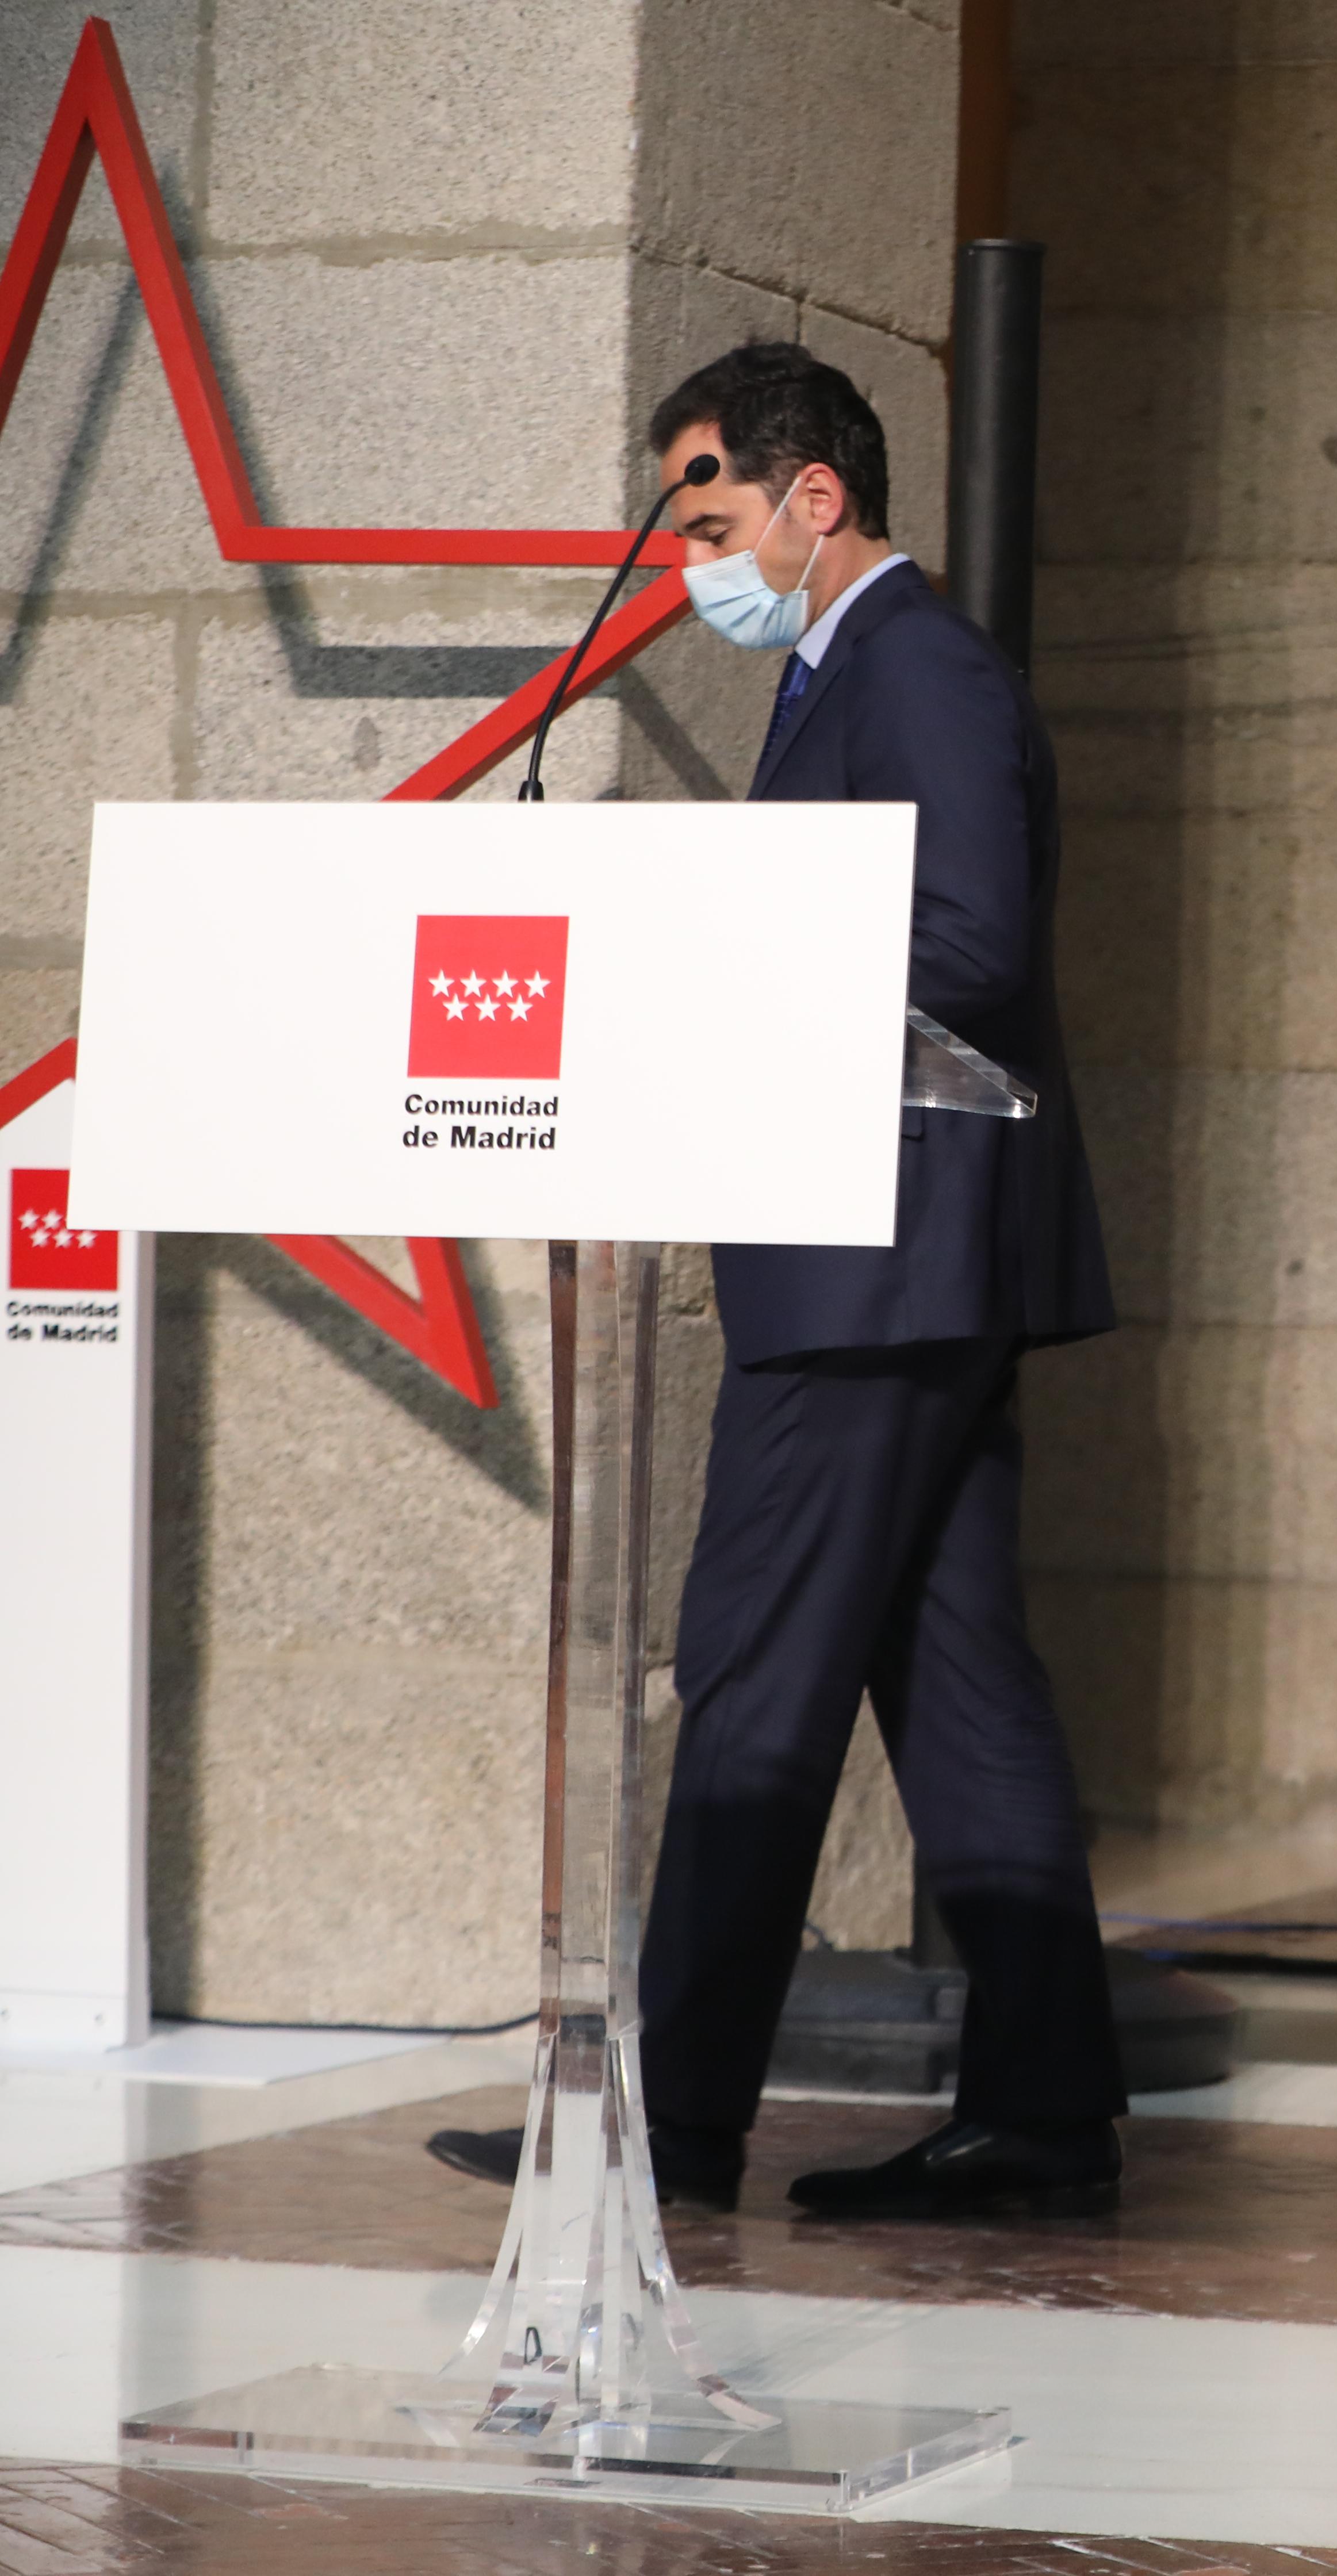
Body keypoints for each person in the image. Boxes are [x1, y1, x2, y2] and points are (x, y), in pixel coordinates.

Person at [430, 342, 1128, 2220]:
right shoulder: (843, 675)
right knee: (962, 1684)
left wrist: (730, 961)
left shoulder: (920, 666)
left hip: (881, 1256)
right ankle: (1051, 2113)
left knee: (748, 1675)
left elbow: (970, 945)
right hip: (886, 1256)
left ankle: (659, 2127)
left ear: (818, 496)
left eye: (714, 520)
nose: (694, 566)